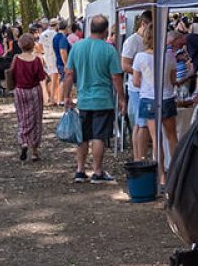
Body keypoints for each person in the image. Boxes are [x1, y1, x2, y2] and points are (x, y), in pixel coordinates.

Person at [61, 15, 125, 183]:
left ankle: (80, 170)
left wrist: (66, 96)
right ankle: (97, 171)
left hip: (83, 99)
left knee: (82, 135)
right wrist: (122, 99)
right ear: (105, 31)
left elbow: (68, 74)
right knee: (99, 136)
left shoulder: (77, 47)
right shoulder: (109, 49)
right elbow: (116, 77)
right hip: (103, 100)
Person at [121, 10, 152, 161]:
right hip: (137, 88)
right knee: (142, 124)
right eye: (151, 26)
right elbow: (124, 65)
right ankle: (140, 158)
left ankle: (138, 158)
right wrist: (142, 72)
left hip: (144, 88)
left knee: (140, 125)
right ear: (143, 24)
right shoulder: (132, 41)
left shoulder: (148, 39)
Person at [9, 33, 46, 161]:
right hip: (34, 91)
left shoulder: (16, 59)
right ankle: (35, 151)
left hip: (20, 91)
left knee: (22, 117)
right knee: (36, 119)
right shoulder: (36, 60)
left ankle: (24, 141)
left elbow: (11, 74)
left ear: (20, 45)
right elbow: (41, 77)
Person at [39, 19, 59, 106]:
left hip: (47, 57)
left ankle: (53, 97)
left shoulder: (42, 34)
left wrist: (44, 52)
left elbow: (40, 46)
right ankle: (53, 98)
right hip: (55, 57)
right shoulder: (56, 34)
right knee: (55, 79)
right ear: (56, 25)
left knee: (52, 78)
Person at [52, 20, 71, 106]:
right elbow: (63, 51)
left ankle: (62, 99)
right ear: (66, 28)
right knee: (64, 81)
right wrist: (66, 63)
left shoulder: (55, 37)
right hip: (62, 62)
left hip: (58, 61)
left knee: (63, 80)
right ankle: (60, 100)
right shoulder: (63, 38)